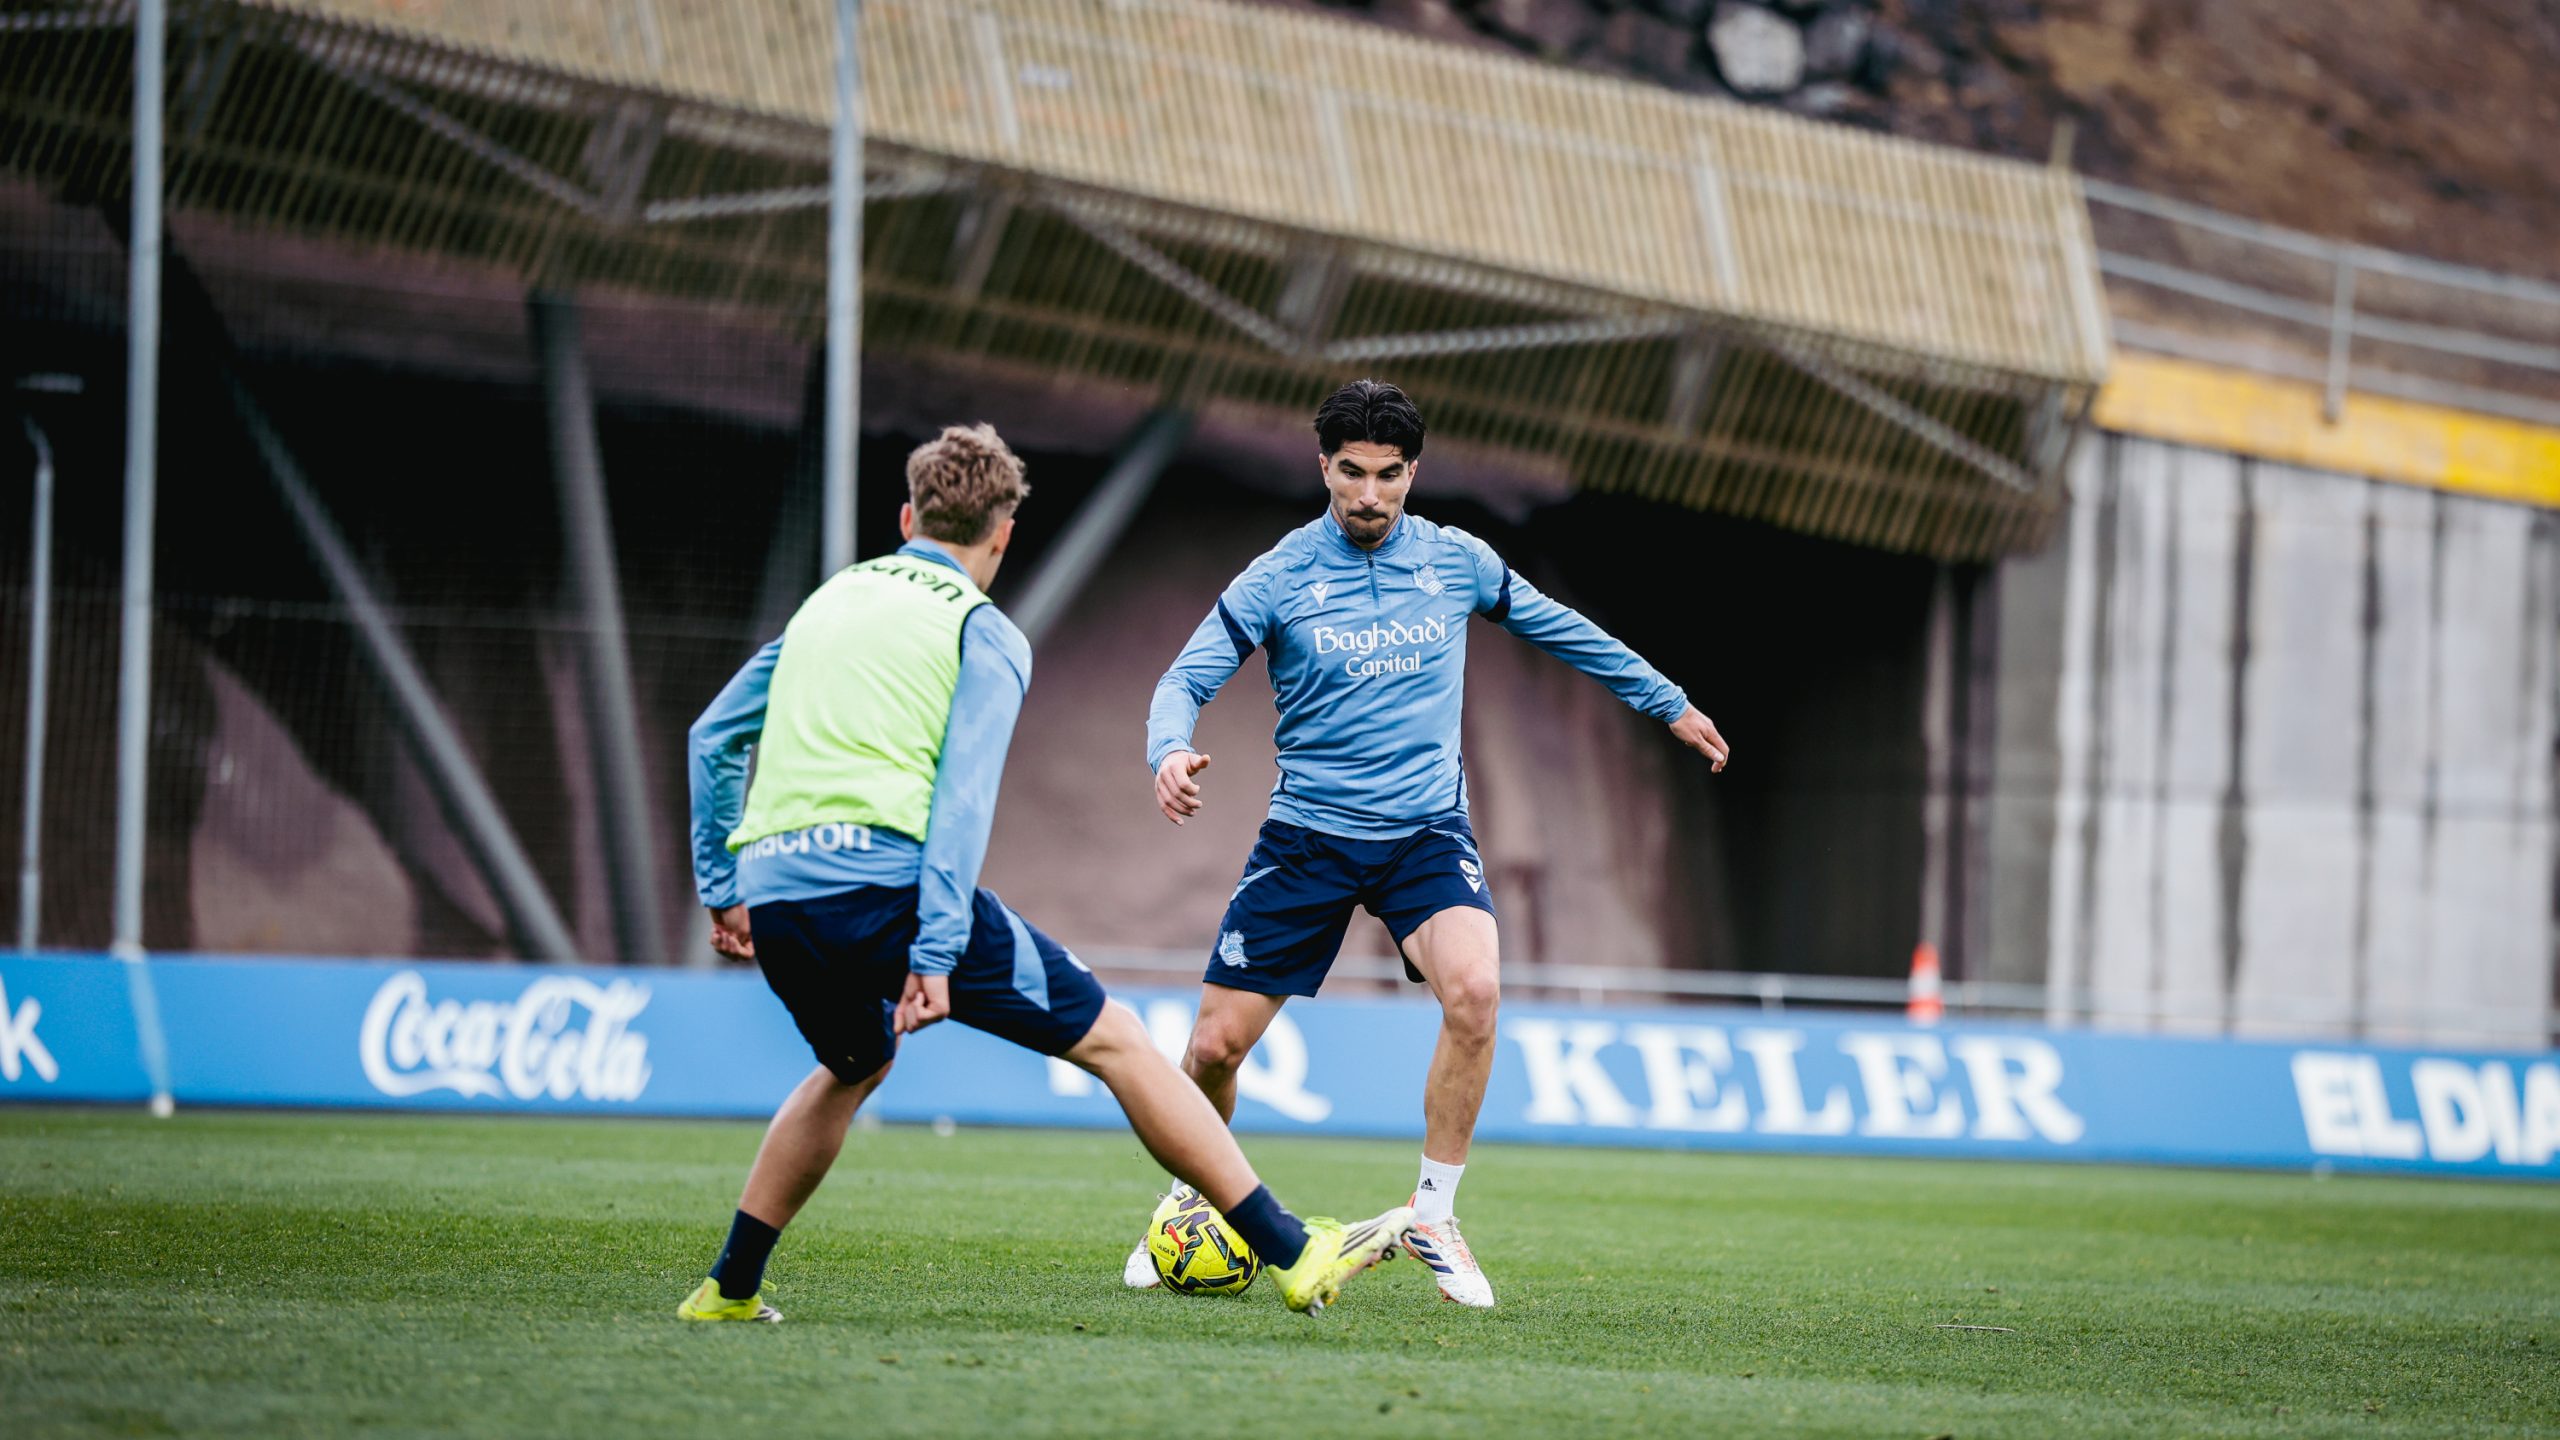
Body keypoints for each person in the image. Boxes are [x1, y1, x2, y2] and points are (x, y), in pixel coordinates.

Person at [680, 423, 1411, 1323]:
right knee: (1119, 1043)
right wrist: (938, 949)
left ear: (907, 515)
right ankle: (1296, 1255)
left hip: (782, 893)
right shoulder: (981, 630)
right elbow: (959, 800)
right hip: (891, 891)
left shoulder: (826, 603)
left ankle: (729, 1287)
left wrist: (724, 888)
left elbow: (713, 737)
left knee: (853, 1061)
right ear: (1004, 535)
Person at [1129, 381, 1729, 1308]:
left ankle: (1433, 1216)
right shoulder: (1280, 575)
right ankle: (1192, 1203)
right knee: (1212, 1049)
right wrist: (1169, 749)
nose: (1369, 495)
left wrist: (1668, 702)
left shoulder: (1457, 562)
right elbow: (1185, 676)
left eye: (1389, 475)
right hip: (1308, 840)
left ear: (1416, 470)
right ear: (1322, 464)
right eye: (1352, 474)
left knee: (1478, 992)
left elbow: (1564, 632)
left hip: (1424, 833)